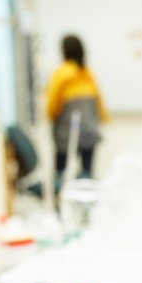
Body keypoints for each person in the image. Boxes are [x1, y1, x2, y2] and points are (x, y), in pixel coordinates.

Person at [46, 34, 110, 180]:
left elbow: (52, 106)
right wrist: (102, 120)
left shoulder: (60, 74)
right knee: (87, 174)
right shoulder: (87, 73)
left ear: (63, 51)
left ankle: (60, 197)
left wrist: (50, 116)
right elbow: (99, 102)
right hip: (89, 130)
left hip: (66, 132)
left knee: (61, 172)